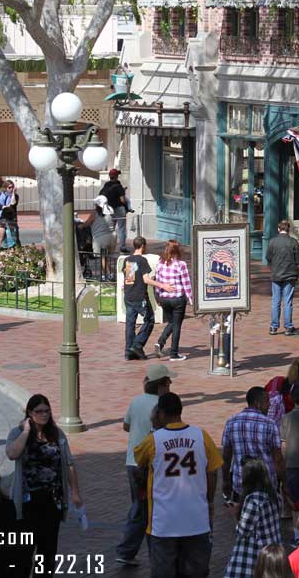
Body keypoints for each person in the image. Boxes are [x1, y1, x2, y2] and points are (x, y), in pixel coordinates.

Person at [133, 392, 222, 578]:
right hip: (197, 521)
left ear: (161, 414)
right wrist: (209, 501)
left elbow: (138, 463)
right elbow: (213, 471)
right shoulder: (201, 436)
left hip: (163, 523)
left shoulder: (153, 440)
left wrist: (154, 427)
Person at [5, 394, 83, 575]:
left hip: (51, 501)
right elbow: (12, 454)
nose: (44, 415)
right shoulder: (18, 433)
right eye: (39, 411)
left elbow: (69, 464)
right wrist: (25, 432)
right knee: (23, 553)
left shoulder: (57, 434)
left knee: (47, 554)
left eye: (47, 411)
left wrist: (75, 493)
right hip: (27, 503)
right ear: (30, 413)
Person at [116, 364, 177, 566]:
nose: (170, 386)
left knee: (141, 506)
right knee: (148, 510)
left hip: (132, 463)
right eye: (168, 382)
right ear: (160, 385)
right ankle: (133, 551)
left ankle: (131, 551)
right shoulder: (163, 406)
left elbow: (126, 426)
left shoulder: (136, 401)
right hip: (151, 465)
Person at [222, 387, 284, 504]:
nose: (270, 404)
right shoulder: (270, 424)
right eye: (267, 401)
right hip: (266, 484)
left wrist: (226, 481)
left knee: (242, 520)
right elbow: (278, 459)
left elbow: (226, 456)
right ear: (258, 403)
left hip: (240, 483)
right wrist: (284, 484)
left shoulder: (231, 422)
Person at [224, 458, 284, 578]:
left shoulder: (253, 500)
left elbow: (242, 531)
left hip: (255, 554)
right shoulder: (275, 496)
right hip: (274, 550)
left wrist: (236, 514)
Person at [122, 236, 174, 360]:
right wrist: (163, 286)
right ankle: (137, 345)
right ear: (143, 246)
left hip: (129, 296)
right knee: (149, 320)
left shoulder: (128, 260)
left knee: (130, 324)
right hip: (140, 297)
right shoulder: (141, 260)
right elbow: (146, 279)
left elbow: (129, 278)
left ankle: (129, 352)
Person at [153, 239, 193, 361]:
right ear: (177, 250)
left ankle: (160, 342)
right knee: (176, 326)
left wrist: (158, 296)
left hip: (165, 298)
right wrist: (191, 299)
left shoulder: (160, 263)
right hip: (177, 298)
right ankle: (174, 353)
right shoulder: (181, 265)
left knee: (171, 322)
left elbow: (158, 281)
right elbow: (186, 283)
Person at [267, 219, 299, 335]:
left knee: (275, 301)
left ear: (278, 229)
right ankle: (288, 327)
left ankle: (273, 326)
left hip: (276, 274)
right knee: (287, 301)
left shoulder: (272, 242)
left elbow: (268, 257)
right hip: (290, 275)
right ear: (289, 229)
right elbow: (298, 260)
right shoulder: (293, 242)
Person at [82, 195, 116, 281]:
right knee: (107, 257)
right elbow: (114, 222)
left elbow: (86, 223)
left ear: (98, 204)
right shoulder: (111, 210)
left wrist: (79, 226)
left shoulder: (95, 213)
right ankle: (110, 273)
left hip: (101, 238)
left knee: (103, 258)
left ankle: (106, 275)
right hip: (112, 236)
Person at [100, 168, 129, 252]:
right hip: (119, 209)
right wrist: (123, 192)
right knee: (121, 228)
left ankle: (109, 246)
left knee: (110, 228)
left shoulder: (106, 185)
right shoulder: (118, 186)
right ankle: (122, 246)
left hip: (109, 209)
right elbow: (123, 200)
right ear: (116, 176)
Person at [0, 180, 20, 248]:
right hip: (2, 216)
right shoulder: (1, 195)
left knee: (14, 236)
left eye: (12, 187)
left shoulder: (16, 196)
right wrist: (3, 207)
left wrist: (13, 194)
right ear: (5, 188)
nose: (11, 189)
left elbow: (13, 204)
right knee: (2, 227)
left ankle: (15, 247)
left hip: (11, 217)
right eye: (9, 187)